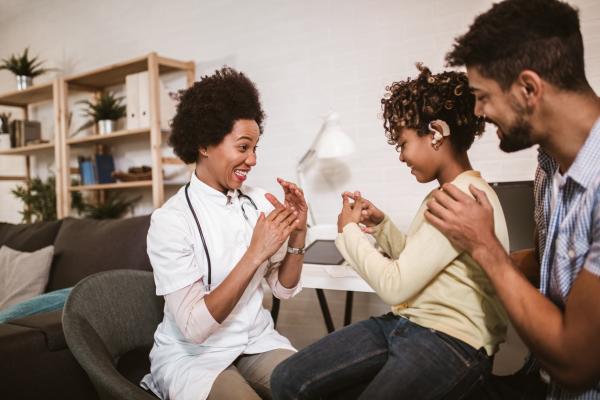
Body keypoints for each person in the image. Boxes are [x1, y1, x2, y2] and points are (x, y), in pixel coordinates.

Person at [270, 64, 509, 399]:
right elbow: (423, 264)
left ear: (437, 132)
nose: (400, 155)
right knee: (287, 379)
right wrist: (381, 227)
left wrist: (349, 232)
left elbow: (396, 286)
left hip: (452, 341)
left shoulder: (462, 199)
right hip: (407, 324)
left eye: (403, 143)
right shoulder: (446, 193)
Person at [425, 0, 600, 398]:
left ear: (528, 88)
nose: (477, 111)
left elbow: (576, 363)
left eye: (481, 96)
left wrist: (484, 246)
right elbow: (547, 264)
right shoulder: (548, 164)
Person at [140, 67, 309, 400]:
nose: (253, 159)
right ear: (204, 144)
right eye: (243, 147)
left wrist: (298, 234)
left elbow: (282, 289)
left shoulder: (257, 202)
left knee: (315, 386)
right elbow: (195, 327)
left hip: (256, 341)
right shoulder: (170, 221)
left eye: (256, 148)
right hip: (194, 356)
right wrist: (255, 254)